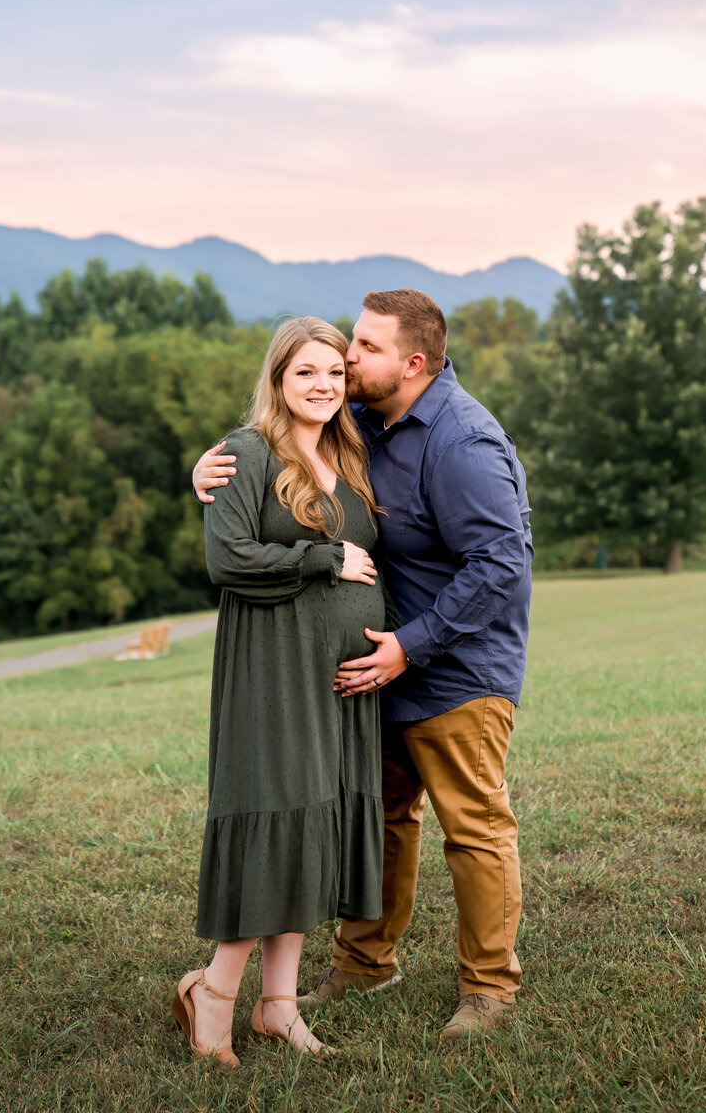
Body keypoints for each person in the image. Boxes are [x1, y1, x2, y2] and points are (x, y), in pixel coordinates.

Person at [193, 289, 533, 1042]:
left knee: (473, 826)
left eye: (365, 348)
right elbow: (285, 455)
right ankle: (364, 961)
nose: (348, 360)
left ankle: (488, 990)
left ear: (413, 363)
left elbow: (503, 562)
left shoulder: (461, 440)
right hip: (373, 669)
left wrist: (411, 645)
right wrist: (209, 475)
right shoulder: (368, 424)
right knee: (377, 815)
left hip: (455, 666)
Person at [174, 316, 386, 1067]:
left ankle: (278, 1008)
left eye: (335, 371)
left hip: (341, 684)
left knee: (311, 826)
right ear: (278, 378)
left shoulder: (346, 449)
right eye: (306, 373)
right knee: (273, 821)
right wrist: (322, 561)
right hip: (272, 671)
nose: (324, 384)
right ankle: (214, 998)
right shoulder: (247, 452)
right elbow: (228, 558)